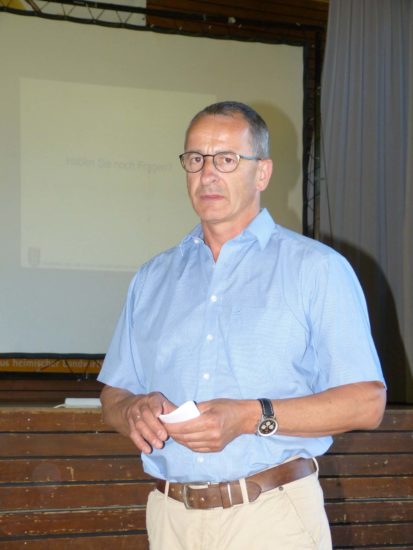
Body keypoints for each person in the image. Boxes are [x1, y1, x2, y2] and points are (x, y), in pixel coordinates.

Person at [98, 101, 386, 549]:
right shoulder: (152, 278)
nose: (207, 174)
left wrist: (249, 417)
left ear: (262, 173)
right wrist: (133, 409)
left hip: (272, 515)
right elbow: (114, 394)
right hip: (171, 519)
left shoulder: (317, 269)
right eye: (195, 159)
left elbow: (366, 403)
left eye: (227, 159)